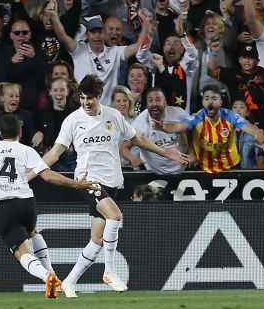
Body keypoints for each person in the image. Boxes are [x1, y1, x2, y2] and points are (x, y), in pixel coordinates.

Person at [42, 75, 188, 297]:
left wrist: (166, 151)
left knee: (97, 240)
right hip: (88, 180)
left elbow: (137, 139)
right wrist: (33, 169)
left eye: (90, 98)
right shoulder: (72, 120)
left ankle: (69, 282)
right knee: (115, 216)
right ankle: (109, 271)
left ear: (99, 97)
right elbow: (54, 153)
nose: (86, 103)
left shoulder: (114, 116)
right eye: (82, 98)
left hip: (112, 181)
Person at [0, 113, 93, 299]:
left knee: (21, 252)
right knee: (33, 233)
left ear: (0, 133)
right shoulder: (26, 151)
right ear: (19, 132)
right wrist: (77, 184)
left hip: (2, 208)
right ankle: (53, 282)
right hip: (26, 204)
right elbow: (48, 176)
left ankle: (48, 277)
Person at [156, 85, 264, 173]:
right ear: (203, 102)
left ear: (220, 102)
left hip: (230, 167)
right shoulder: (197, 117)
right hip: (204, 168)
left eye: (214, 98)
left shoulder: (230, 116)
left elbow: (254, 130)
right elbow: (177, 126)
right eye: (207, 98)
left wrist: (262, 142)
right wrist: (163, 127)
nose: (210, 101)